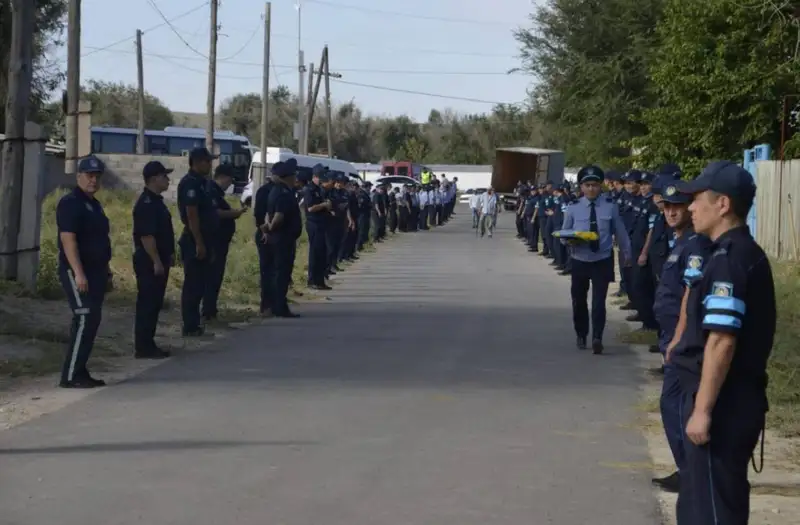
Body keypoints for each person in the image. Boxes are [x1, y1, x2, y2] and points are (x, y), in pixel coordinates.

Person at [669, 161, 775, 525]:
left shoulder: (730, 261)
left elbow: (722, 342)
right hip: (724, 400)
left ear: (723, 205)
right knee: (700, 504)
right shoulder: (730, 253)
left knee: (714, 511)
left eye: (698, 199)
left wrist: (703, 410)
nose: (691, 208)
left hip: (724, 406)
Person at [650, 181, 712, 493]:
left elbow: (691, 292)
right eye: (667, 207)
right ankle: (689, 469)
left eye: (677, 207)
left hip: (683, 340)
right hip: (672, 336)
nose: (672, 212)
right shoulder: (680, 241)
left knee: (674, 404)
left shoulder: (695, 244)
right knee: (674, 404)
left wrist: (676, 339)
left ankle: (691, 471)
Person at [561, 165, 632, 354]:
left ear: (601, 186)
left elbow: (621, 232)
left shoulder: (610, 206)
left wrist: (627, 253)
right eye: (587, 185)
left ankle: (597, 337)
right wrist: (570, 240)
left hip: (602, 259)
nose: (591, 189)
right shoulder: (573, 208)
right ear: (581, 187)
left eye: (595, 185)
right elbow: (564, 233)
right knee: (579, 300)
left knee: (599, 302)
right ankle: (581, 333)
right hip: (580, 259)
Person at [55, 155, 112, 388]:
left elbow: (100, 240)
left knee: (92, 318)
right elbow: (68, 239)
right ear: (78, 176)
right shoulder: (71, 203)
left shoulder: (94, 204)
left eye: (97, 176)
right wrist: (78, 273)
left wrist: (106, 271)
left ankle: (80, 370)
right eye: (89, 175)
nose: (93, 180)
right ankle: (70, 376)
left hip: (96, 271)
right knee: (85, 315)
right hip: (77, 270)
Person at [132, 160, 175, 360]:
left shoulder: (156, 201)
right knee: (148, 304)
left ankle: (148, 343)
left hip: (158, 259)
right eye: (164, 176)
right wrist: (156, 261)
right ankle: (144, 346)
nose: (168, 180)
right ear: (153, 179)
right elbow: (147, 236)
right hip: (149, 260)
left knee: (154, 303)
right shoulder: (147, 204)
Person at [176, 147, 219, 336]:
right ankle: (190, 324)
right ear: (197, 162)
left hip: (205, 239)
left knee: (201, 283)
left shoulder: (203, 183)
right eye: (207, 161)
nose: (210, 165)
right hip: (194, 239)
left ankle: (195, 323)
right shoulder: (191, 184)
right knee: (193, 285)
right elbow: (191, 215)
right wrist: (199, 242)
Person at [203, 163, 248, 322]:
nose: (230, 184)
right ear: (223, 177)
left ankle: (211, 309)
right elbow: (217, 213)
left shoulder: (217, 192)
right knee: (212, 276)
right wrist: (236, 213)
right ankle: (208, 311)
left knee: (216, 276)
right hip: (214, 241)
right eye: (230, 180)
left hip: (220, 241)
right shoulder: (211, 191)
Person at [263, 160, 302, 318]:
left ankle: (277, 304)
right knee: (282, 273)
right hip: (282, 239)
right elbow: (279, 216)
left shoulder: (276, 191)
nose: (295, 178)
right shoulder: (284, 193)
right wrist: (271, 228)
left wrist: (268, 227)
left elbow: (268, 214)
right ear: (289, 177)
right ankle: (279, 306)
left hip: (280, 238)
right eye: (294, 175)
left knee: (279, 273)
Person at [253, 160, 283, 315]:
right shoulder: (265, 191)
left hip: (277, 236)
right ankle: (266, 304)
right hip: (266, 235)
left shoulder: (281, 190)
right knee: (267, 271)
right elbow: (259, 214)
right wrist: (265, 231)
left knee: (276, 271)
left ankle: (276, 302)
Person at [302, 164, 332, 290]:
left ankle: (320, 280)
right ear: (314, 176)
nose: (322, 180)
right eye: (320, 177)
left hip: (321, 223)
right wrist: (324, 205)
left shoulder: (320, 189)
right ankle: (312, 280)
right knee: (315, 253)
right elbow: (310, 208)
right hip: (313, 223)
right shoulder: (309, 189)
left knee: (322, 252)